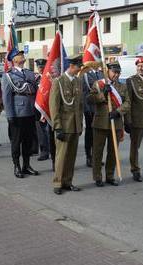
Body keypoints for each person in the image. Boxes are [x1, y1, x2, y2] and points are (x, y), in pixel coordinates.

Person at [87, 61, 130, 187]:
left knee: (113, 151)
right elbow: (90, 99)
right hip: (100, 123)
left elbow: (128, 103)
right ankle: (97, 177)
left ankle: (110, 176)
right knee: (97, 151)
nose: (116, 75)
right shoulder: (99, 84)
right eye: (114, 72)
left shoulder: (123, 87)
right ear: (108, 71)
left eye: (118, 72)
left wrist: (118, 112)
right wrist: (103, 94)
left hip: (115, 122)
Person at [1, 49, 39, 178]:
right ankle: (16, 166)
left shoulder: (29, 73)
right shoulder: (8, 76)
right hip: (17, 113)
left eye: (22, 54)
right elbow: (6, 97)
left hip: (29, 111)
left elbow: (35, 91)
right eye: (19, 55)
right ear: (14, 60)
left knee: (28, 141)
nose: (22, 56)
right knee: (16, 142)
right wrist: (10, 115)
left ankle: (26, 165)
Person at [49, 54, 83, 195]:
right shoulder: (59, 81)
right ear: (72, 66)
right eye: (78, 68)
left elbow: (79, 106)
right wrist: (57, 127)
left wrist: (80, 125)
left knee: (71, 157)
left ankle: (68, 182)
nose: (79, 70)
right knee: (61, 157)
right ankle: (58, 183)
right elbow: (54, 106)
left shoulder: (77, 82)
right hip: (63, 126)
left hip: (75, 126)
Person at [82, 62, 104, 167]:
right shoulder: (85, 74)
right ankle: (88, 156)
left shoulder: (101, 74)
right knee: (90, 133)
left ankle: (97, 156)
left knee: (98, 133)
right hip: (89, 108)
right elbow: (83, 93)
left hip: (100, 108)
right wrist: (86, 108)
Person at [34, 58, 50, 161]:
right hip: (38, 109)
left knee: (49, 131)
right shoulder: (34, 79)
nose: (40, 69)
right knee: (40, 132)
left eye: (42, 67)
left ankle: (52, 150)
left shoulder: (50, 79)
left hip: (48, 108)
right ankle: (44, 152)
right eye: (39, 67)